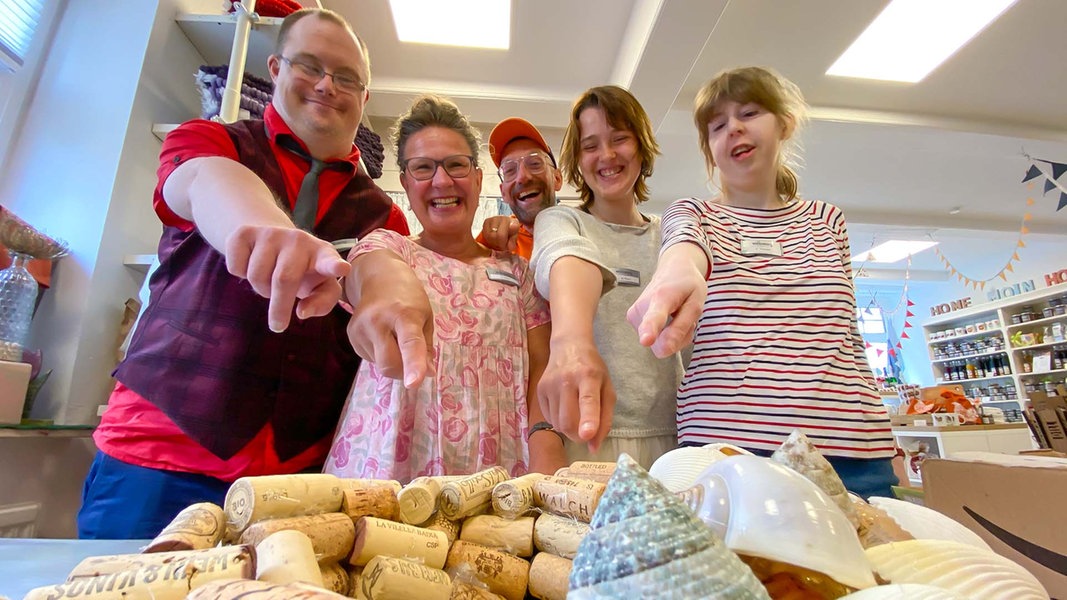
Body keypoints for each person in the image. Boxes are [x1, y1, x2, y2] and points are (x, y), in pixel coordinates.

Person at [78, 8, 409, 539]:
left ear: (364, 98)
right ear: (275, 69)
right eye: (310, 66)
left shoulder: (386, 215)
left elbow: (383, 283)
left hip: (296, 479)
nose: (327, 85)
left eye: (346, 77)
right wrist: (259, 226)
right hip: (160, 457)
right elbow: (209, 181)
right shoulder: (209, 142)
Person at [627, 66, 898, 498]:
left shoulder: (828, 221)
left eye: (749, 113)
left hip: (848, 446)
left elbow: (846, 332)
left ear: (784, 123)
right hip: (726, 449)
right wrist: (678, 272)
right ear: (709, 148)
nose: (733, 128)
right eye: (718, 125)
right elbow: (682, 253)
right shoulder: (694, 214)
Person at [325, 95, 561, 481]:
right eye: (423, 168)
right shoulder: (387, 247)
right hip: (389, 463)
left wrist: (544, 439)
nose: (442, 180)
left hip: (501, 462)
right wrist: (381, 289)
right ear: (404, 182)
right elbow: (369, 273)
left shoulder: (517, 272)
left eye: (456, 165)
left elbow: (542, 365)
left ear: (479, 178)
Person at [530, 85, 683, 468]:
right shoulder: (562, 220)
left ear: (641, 147)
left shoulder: (671, 234)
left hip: (675, 438)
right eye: (591, 145)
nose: (607, 156)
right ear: (577, 159)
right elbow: (564, 255)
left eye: (619, 139)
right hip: (588, 438)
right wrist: (572, 344)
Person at [477, 117, 563, 259]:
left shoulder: (585, 231)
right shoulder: (491, 242)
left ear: (557, 178)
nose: (522, 177)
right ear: (503, 192)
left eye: (535, 163)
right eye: (510, 170)